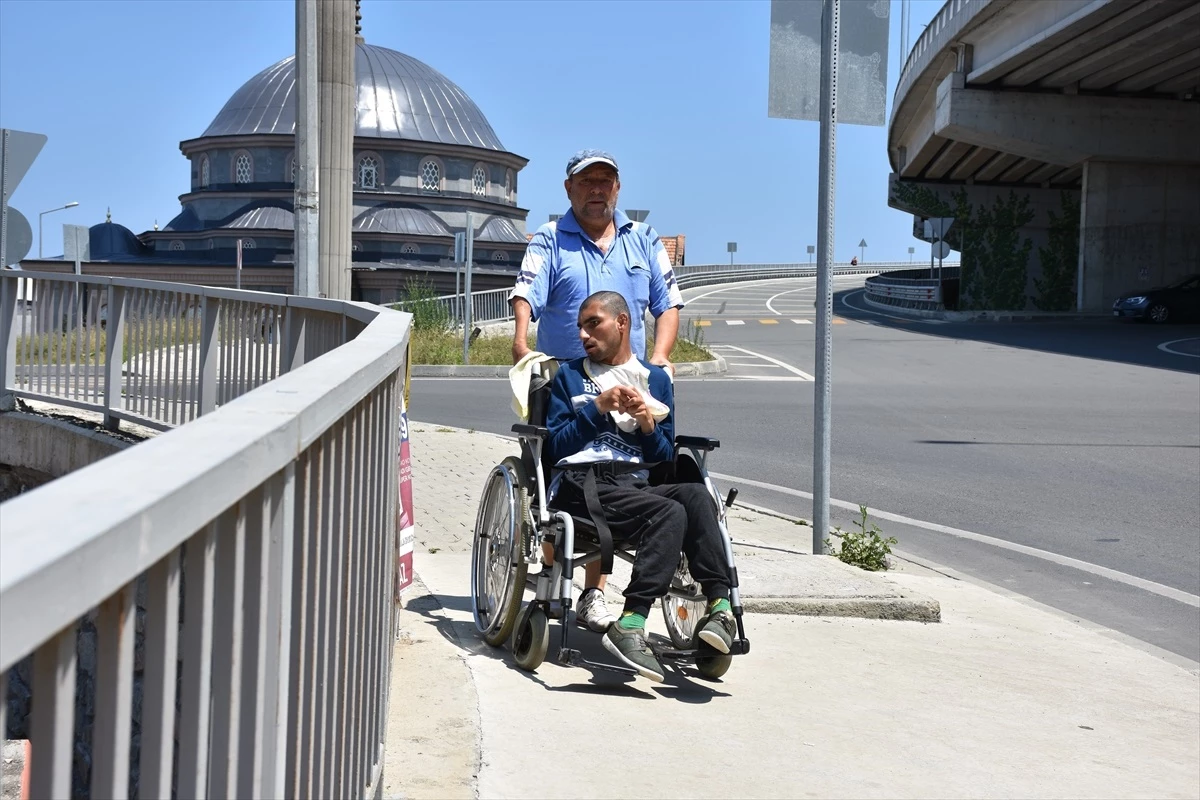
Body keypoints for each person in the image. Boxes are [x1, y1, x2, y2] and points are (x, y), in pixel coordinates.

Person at [511, 149, 685, 631]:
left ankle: (593, 591)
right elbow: (527, 291)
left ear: (617, 188)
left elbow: (667, 303)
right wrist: (522, 339)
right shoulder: (550, 239)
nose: (596, 190)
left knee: (619, 467)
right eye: (586, 182)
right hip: (566, 376)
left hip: (626, 375)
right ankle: (550, 573)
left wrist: (661, 358)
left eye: (604, 181)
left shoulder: (643, 238)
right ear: (569, 189)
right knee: (560, 472)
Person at [543, 290, 735, 683]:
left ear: (622, 323)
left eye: (592, 323)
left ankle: (720, 608)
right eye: (580, 326)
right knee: (669, 511)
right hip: (583, 484)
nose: (583, 334)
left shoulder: (656, 380)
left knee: (694, 496)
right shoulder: (570, 377)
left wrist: (647, 424)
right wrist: (597, 410)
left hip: (635, 485)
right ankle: (631, 623)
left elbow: (663, 458)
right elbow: (553, 449)